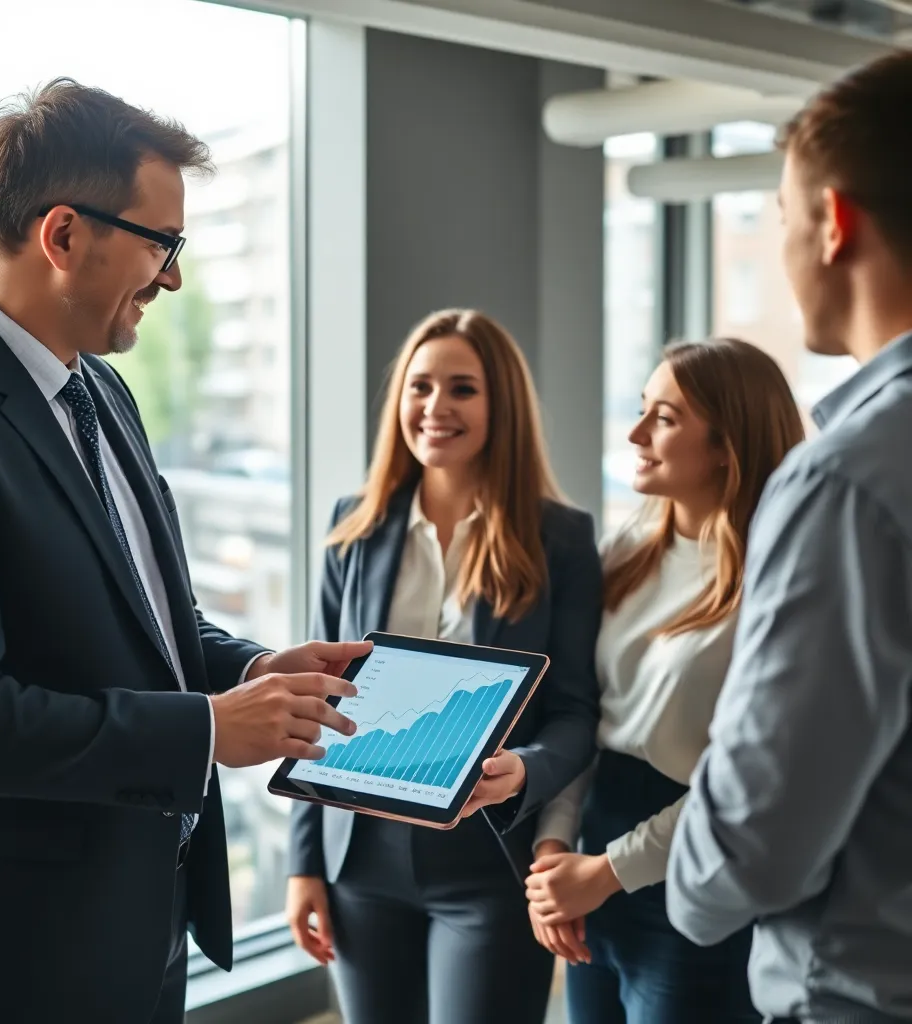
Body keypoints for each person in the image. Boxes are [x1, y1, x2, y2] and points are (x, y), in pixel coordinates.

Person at [0, 79, 370, 1024]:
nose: (174, 279)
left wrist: (254, 668)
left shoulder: (103, 394)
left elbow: (148, 618)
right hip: (9, 955)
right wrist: (205, 732)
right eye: (162, 245)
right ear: (63, 236)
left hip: (135, 924)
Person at [665, 50, 912, 1024]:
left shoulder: (847, 476)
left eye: (778, 214)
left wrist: (683, 889)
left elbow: (754, 842)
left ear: (833, 221)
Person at [285, 309, 603, 1024]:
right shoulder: (352, 531)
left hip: (487, 866)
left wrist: (526, 769)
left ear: (503, 407)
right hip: (359, 863)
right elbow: (317, 704)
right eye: (420, 386)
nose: (436, 407)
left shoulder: (562, 538)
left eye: (463, 389)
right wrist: (304, 864)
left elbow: (577, 712)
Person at [526, 338, 805, 1024]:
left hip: (695, 873)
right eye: (642, 409)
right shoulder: (623, 552)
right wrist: (555, 854)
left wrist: (608, 871)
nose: (635, 434)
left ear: (725, 445)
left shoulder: (777, 582)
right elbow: (581, 714)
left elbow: (754, 778)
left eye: (666, 418)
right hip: (595, 854)